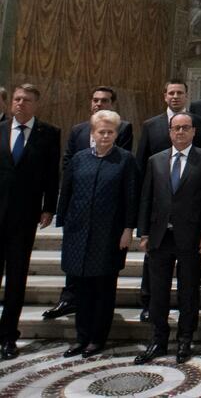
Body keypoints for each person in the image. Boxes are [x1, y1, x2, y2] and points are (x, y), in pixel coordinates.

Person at [45, 87, 133, 321]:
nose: (98, 104)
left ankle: (96, 319)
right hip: (80, 211)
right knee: (76, 264)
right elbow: (68, 161)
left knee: (101, 275)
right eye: (95, 100)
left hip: (107, 214)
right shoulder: (78, 131)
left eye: (104, 100)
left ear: (112, 104)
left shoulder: (123, 132)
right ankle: (69, 300)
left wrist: (128, 226)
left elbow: (124, 178)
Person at [56, 110, 138, 358]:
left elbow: (131, 197)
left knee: (103, 289)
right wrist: (64, 223)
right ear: (92, 133)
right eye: (101, 131)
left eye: (110, 132)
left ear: (116, 134)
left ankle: (97, 338)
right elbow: (67, 192)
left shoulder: (125, 160)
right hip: (78, 234)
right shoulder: (79, 159)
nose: (105, 136)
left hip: (109, 235)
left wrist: (128, 229)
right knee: (81, 289)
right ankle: (81, 337)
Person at [135, 113, 201, 365]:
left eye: (185, 128)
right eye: (176, 128)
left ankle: (185, 339)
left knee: (188, 291)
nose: (180, 132)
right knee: (158, 292)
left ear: (193, 131)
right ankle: (158, 339)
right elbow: (146, 198)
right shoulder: (155, 160)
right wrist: (143, 232)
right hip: (160, 237)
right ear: (170, 132)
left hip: (190, 237)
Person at [0, 84, 61, 360]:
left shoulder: (49, 133)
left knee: (16, 278)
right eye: (16, 99)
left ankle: (8, 336)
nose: (20, 103)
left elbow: (52, 175)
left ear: (36, 104)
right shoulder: (1, 129)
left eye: (26, 100)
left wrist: (49, 208)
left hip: (24, 217)